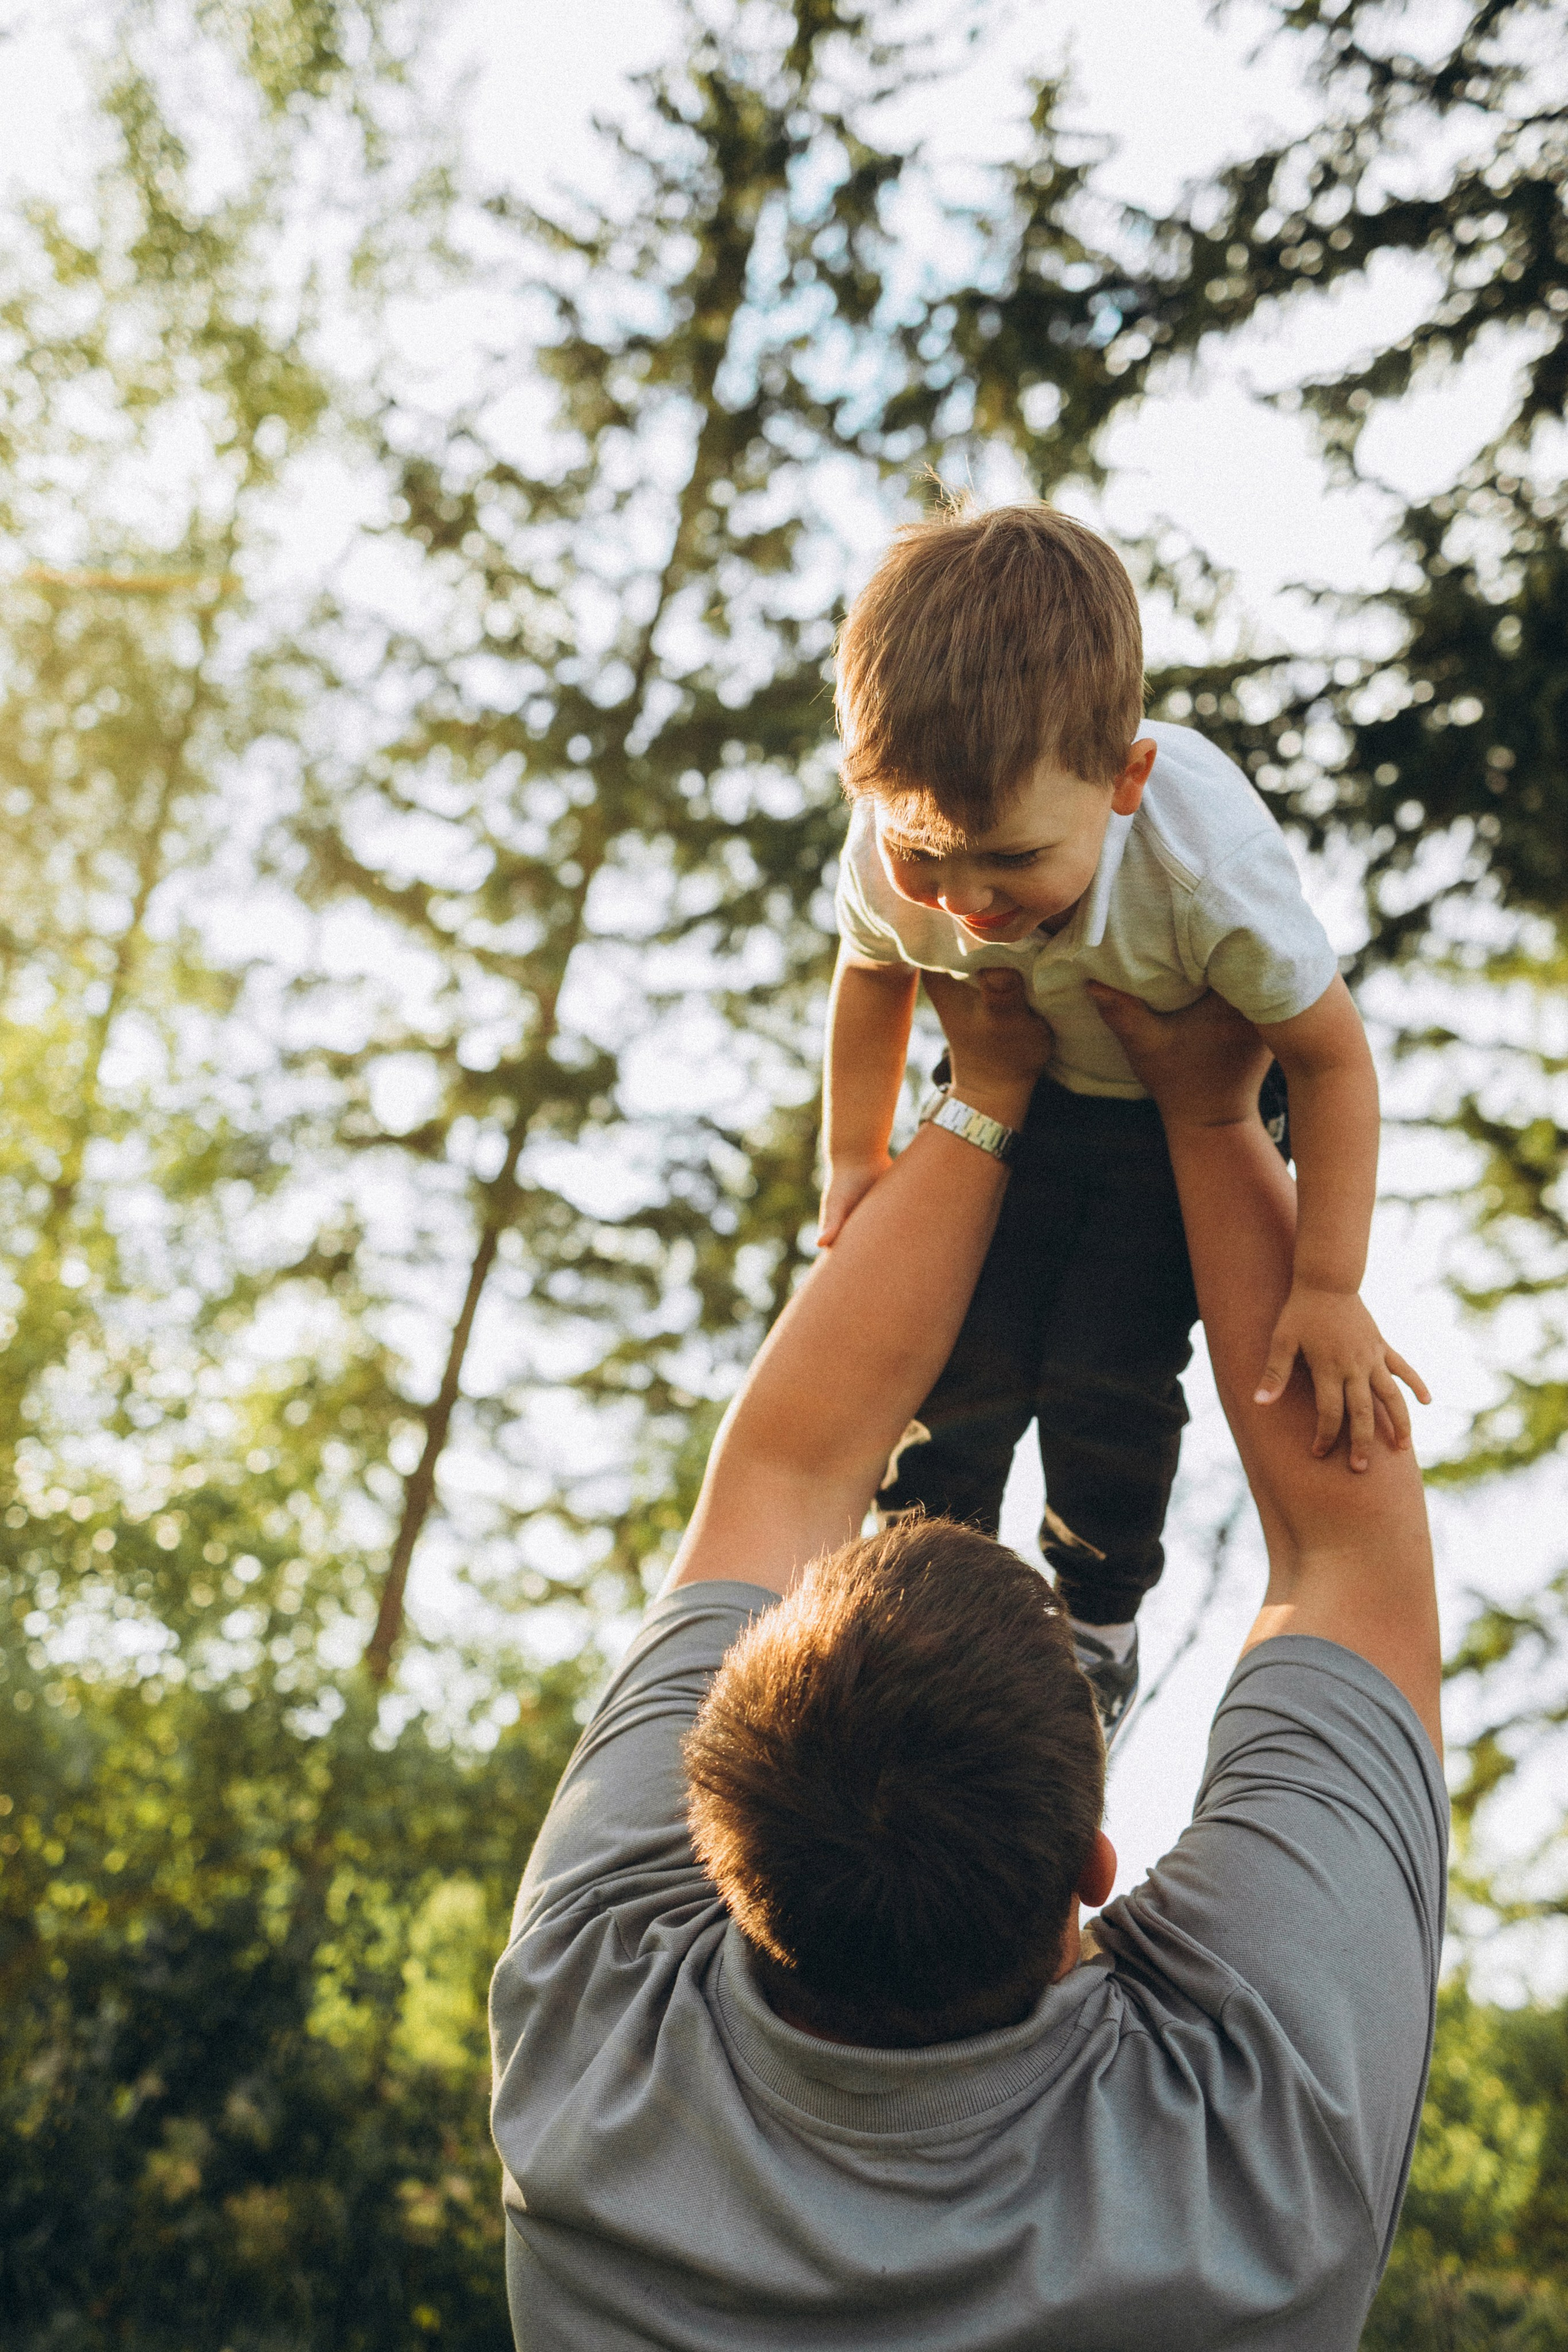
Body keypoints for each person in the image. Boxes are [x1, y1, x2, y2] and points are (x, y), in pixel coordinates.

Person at [489, 971, 1446, 2352]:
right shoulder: (1257, 2160)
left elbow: (785, 1462)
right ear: (1090, 1873)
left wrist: (999, 1100)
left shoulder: (592, 2063)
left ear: (714, 1846)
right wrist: (1200, 1110)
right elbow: (1346, 1559)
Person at [821, 500, 1427, 1732]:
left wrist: (1325, 1283)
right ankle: (916, 1593)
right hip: (1016, 1097)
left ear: (1123, 782)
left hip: (1177, 1132)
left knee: (1108, 1375)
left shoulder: (1203, 865)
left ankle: (1093, 1622)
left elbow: (1330, 1061)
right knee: (959, 1357)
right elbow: (872, 972)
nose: (965, 897)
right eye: (925, 858)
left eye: (1007, 859)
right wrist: (851, 1151)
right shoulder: (902, 838)